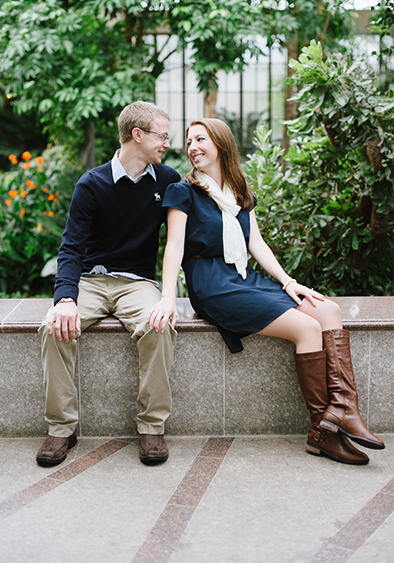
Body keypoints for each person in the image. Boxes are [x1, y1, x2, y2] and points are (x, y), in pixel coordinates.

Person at [148, 118, 385, 465]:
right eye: (188, 141)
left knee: (328, 311)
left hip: (244, 278)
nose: (192, 146)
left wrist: (288, 282)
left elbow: (255, 243)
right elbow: (174, 248)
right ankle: (322, 433)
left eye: (200, 138)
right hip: (212, 285)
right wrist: (168, 296)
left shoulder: (239, 190)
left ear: (221, 143)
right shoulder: (183, 192)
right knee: (306, 327)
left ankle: (344, 411)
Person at [36, 101, 181, 467]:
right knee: (53, 327)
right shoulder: (93, 183)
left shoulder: (167, 180)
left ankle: (152, 427)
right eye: (162, 135)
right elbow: (70, 247)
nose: (167, 142)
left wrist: (169, 295)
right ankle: (61, 429)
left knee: (159, 326)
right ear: (138, 134)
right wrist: (65, 298)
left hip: (138, 284)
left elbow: (185, 230)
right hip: (91, 280)